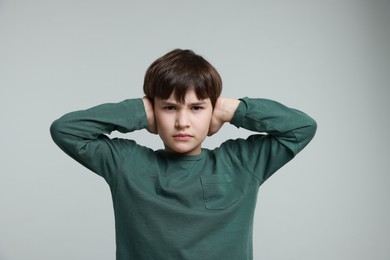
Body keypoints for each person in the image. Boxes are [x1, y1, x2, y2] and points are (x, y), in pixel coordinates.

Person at [50, 49, 317, 260]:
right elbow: (66, 130)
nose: (182, 122)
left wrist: (229, 109)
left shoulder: (240, 163)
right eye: (169, 108)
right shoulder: (126, 164)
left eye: (197, 108)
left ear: (212, 110)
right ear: (153, 111)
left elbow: (302, 127)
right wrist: (140, 111)